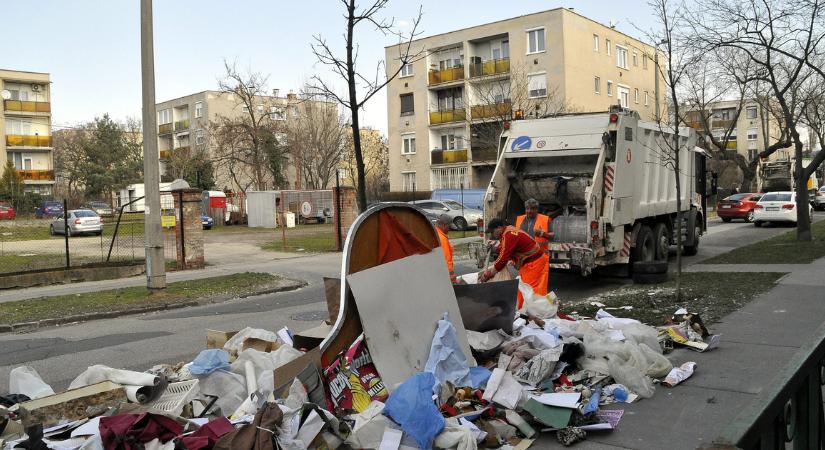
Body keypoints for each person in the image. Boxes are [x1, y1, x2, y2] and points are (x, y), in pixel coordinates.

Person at [479, 218, 549, 308]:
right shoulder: (507, 232)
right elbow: (506, 247)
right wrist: (496, 249)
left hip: (534, 263)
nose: (492, 235)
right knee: (523, 290)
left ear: (499, 228)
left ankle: (533, 315)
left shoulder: (509, 234)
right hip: (530, 263)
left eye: (492, 232)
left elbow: (503, 259)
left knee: (531, 291)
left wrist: (489, 274)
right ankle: (523, 313)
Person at [435, 214, 459, 284]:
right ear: (443, 225)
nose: (449, 230)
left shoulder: (435, 233)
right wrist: (451, 274)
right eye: (449, 227)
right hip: (444, 275)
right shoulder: (442, 239)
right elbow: (446, 259)